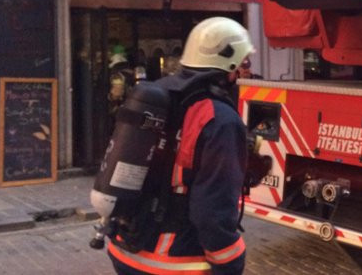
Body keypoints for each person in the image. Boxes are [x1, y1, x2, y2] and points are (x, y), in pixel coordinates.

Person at [107, 17, 256, 275]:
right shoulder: (219, 119)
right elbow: (212, 210)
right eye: (244, 63)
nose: (246, 70)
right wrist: (231, 263)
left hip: (124, 247)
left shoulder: (157, 94)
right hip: (172, 261)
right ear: (228, 64)